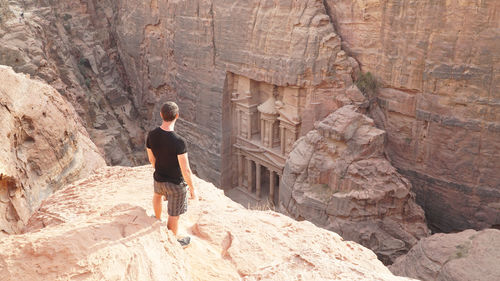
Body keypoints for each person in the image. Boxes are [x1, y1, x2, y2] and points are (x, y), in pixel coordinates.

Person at [146, 101, 197, 247]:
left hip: (158, 179)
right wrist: (193, 190)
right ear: (177, 116)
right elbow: (185, 169)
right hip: (175, 185)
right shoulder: (179, 142)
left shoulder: (152, 134)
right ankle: (173, 241)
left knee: (157, 196)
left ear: (161, 115)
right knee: (174, 215)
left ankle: (156, 218)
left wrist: (160, 170)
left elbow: (151, 159)